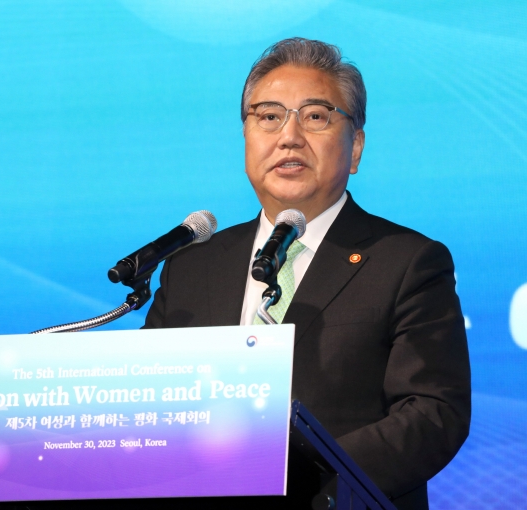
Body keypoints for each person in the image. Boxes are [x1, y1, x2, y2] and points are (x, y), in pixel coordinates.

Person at [143, 38, 471, 510]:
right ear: (246, 138)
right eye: (268, 116)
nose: (289, 136)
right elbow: (152, 411)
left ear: (355, 147)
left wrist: (298, 474)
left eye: (315, 116)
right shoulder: (192, 266)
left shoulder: (407, 262)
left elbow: (434, 414)